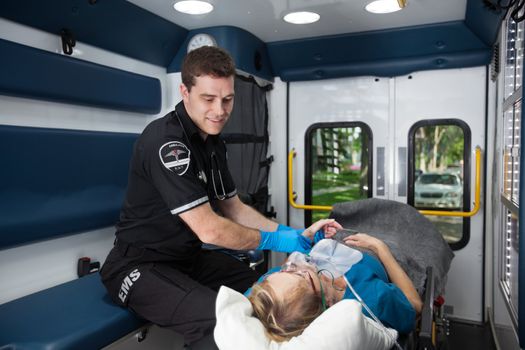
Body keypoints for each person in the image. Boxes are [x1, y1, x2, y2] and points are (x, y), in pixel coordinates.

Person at [99, 45, 340, 347]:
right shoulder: (167, 143)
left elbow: (234, 208)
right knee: (215, 321)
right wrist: (278, 241)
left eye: (227, 99)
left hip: (185, 259)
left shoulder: (213, 144)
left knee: (267, 288)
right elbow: (209, 228)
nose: (220, 110)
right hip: (137, 267)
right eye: (208, 99)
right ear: (184, 91)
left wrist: (295, 235)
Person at [248, 230, 423, 342]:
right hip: (374, 245)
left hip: (341, 236)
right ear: (327, 303)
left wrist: (306, 235)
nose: (294, 261)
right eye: (302, 274)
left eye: (283, 270)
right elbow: (415, 306)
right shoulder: (372, 299)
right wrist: (380, 247)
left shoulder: (275, 292)